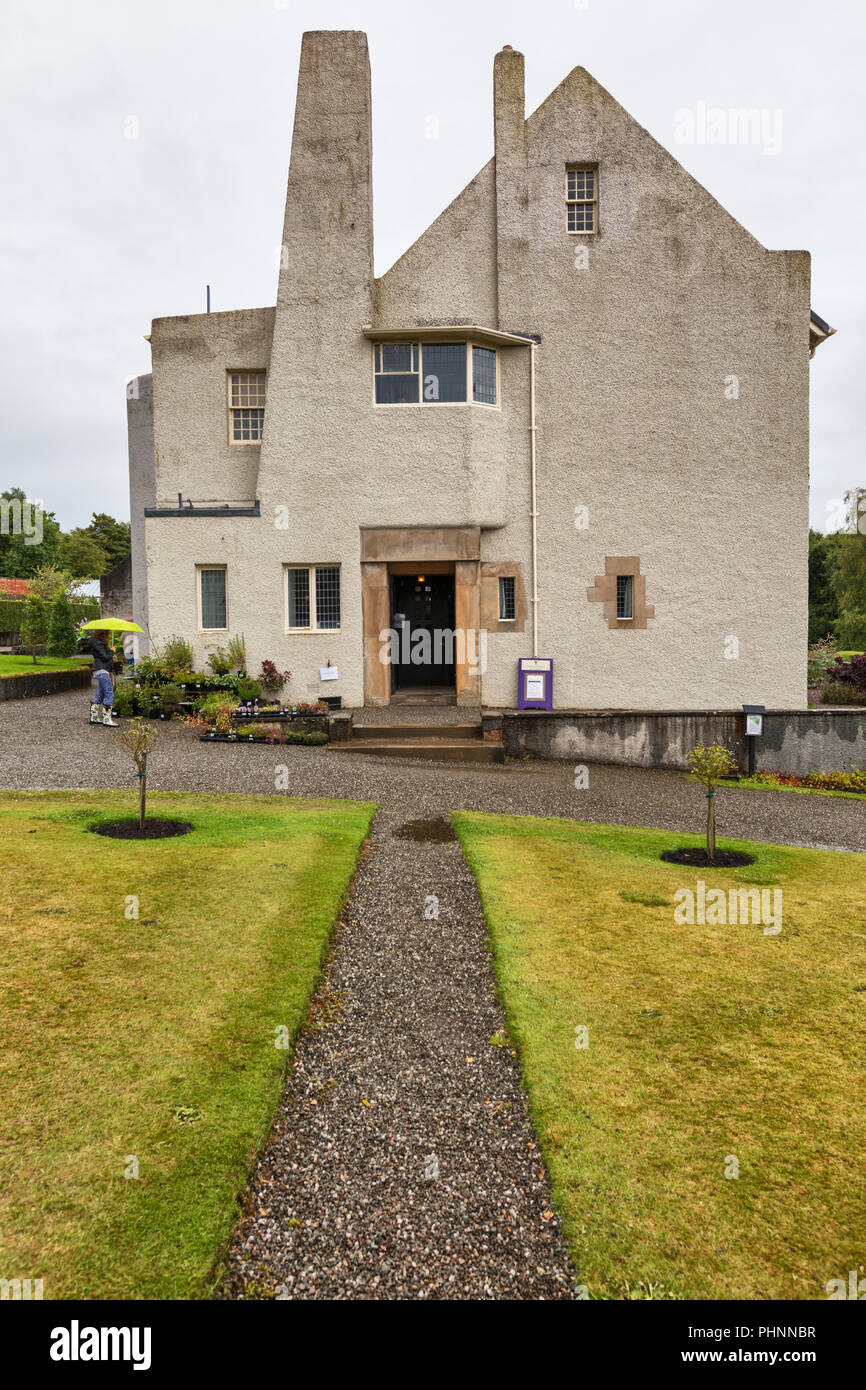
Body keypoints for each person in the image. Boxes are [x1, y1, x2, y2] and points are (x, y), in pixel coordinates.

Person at [79, 629, 118, 726]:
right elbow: (105, 657)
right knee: (109, 693)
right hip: (102, 671)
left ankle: (94, 718)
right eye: (107, 635)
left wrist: (109, 650)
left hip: (101, 670)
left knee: (100, 694)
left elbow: (104, 655)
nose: (108, 637)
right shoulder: (99, 644)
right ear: (103, 635)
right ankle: (107, 720)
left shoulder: (99, 644)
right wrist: (112, 652)